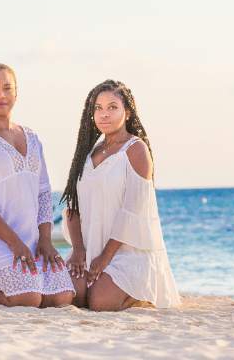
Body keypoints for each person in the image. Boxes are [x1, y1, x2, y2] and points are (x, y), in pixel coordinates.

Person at [0, 63, 74, 308]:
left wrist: (45, 240)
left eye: (7, 88)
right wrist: (14, 243)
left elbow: (43, 193)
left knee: (61, 297)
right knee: (27, 299)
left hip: (30, 239)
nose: (0, 95)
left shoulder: (32, 137)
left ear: (16, 93)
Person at [61, 80, 181, 311]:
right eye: (98, 108)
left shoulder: (136, 150)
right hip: (89, 250)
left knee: (100, 302)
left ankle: (141, 294)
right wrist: (78, 251)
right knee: (68, 295)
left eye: (112, 107)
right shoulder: (87, 154)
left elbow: (131, 213)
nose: (104, 114)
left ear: (127, 113)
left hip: (128, 252)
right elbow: (73, 207)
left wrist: (104, 259)